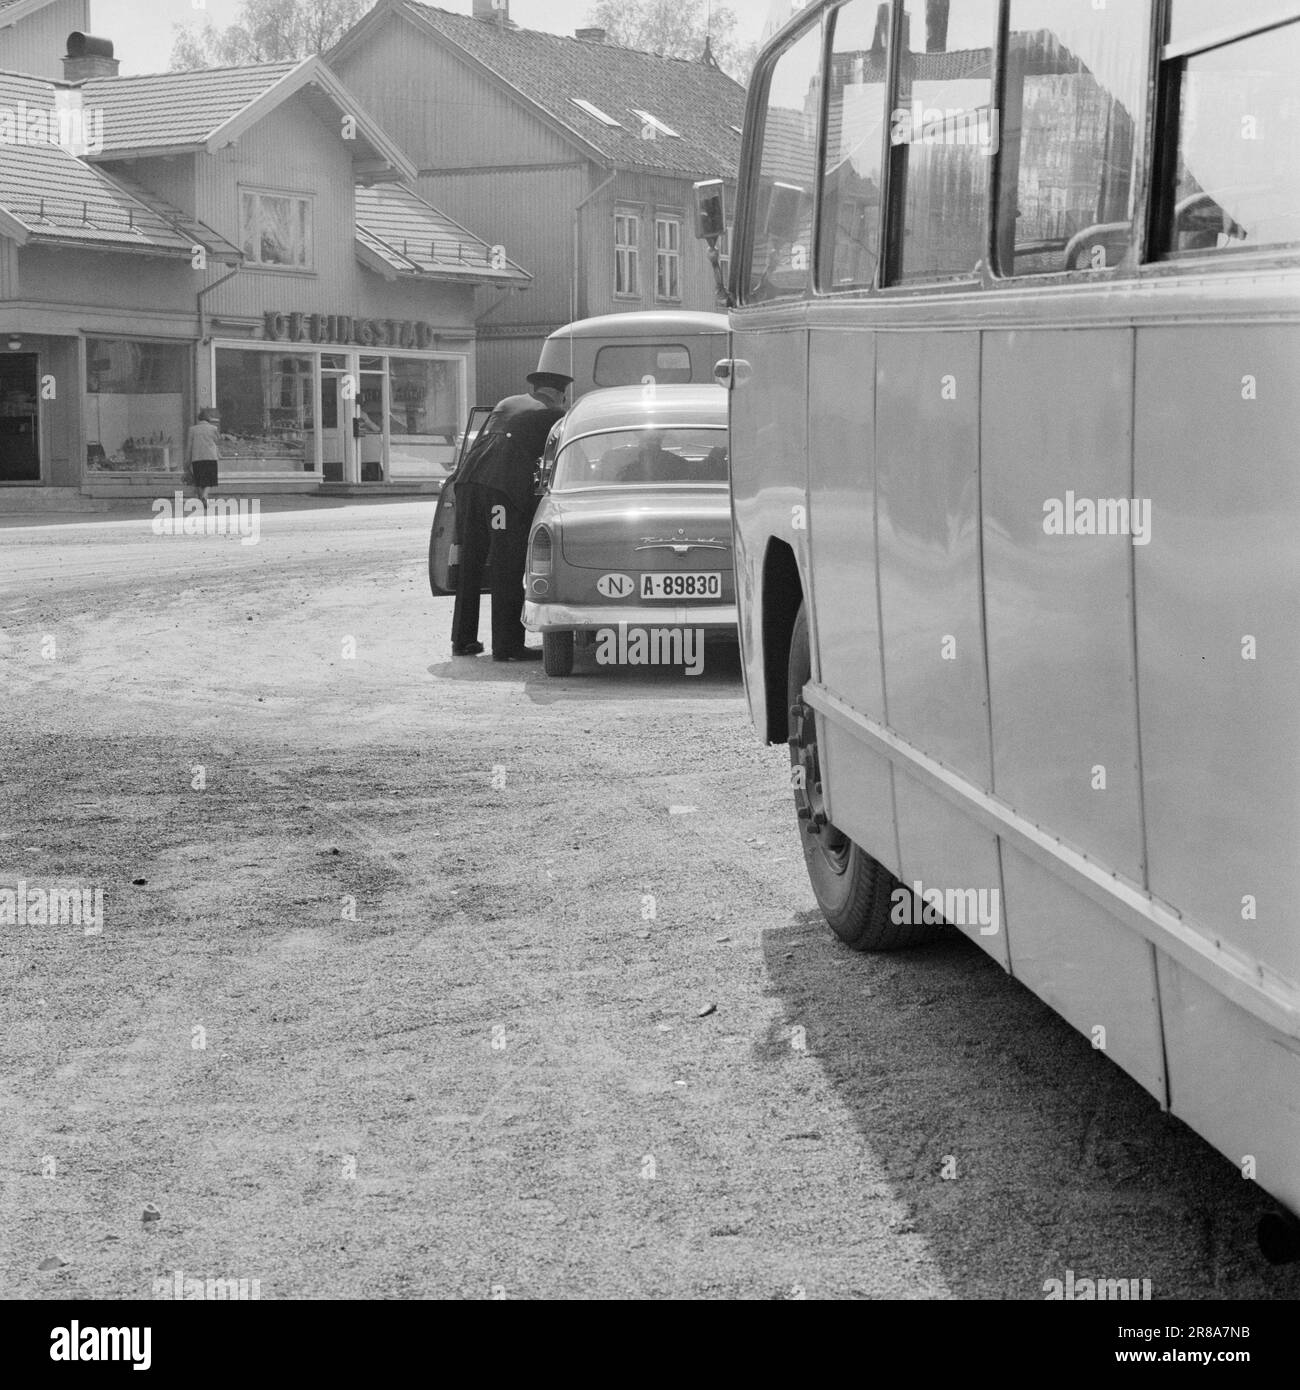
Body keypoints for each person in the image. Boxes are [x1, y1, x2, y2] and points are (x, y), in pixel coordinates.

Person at [451, 370, 571, 661]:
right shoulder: (552, 413)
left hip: (467, 483)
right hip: (500, 490)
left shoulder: (507, 402)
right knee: (506, 564)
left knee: (471, 561)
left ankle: (463, 639)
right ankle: (507, 646)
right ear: (559, 394)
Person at [187, 407, 222, 502]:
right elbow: (218, 441)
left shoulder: (192, 429)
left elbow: (189, 446)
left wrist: (187, 461)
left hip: (197, 458)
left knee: (198, 480)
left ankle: (201, 498)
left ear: (199, 418)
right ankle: (205, 495)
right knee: (210, 480)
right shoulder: (213, 429)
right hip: (210, 458)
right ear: (208, 419)